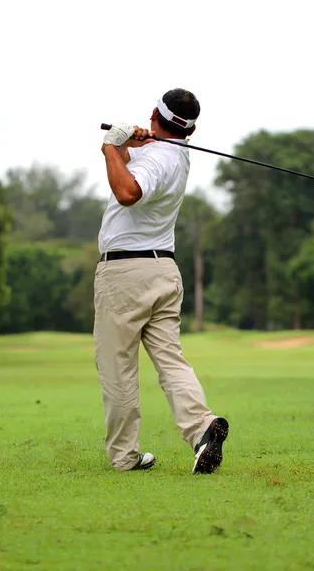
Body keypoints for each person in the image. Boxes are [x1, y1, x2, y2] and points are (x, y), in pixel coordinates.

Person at [94, 88, 229, 473]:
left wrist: (109, 146)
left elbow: (126, 191)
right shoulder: (176, 154)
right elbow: (129, 167)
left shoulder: (156, 159)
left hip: (125, 274)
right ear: (191, 129)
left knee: (117, 365)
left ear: (155, 112)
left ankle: (125, 457)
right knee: (170, 360)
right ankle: (202, 428)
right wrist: (123, 145)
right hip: (163, 272)